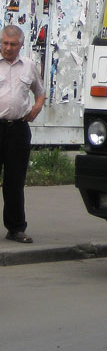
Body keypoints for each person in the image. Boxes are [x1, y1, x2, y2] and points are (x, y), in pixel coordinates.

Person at [0, 25, 44, 243]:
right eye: (5, 43)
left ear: (21, 45)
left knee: (14, 181)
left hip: (18, 129)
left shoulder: (28, 66)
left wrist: (36, 108)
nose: (8, 48)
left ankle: (16, 228)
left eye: (13, 44)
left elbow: (40, 92)